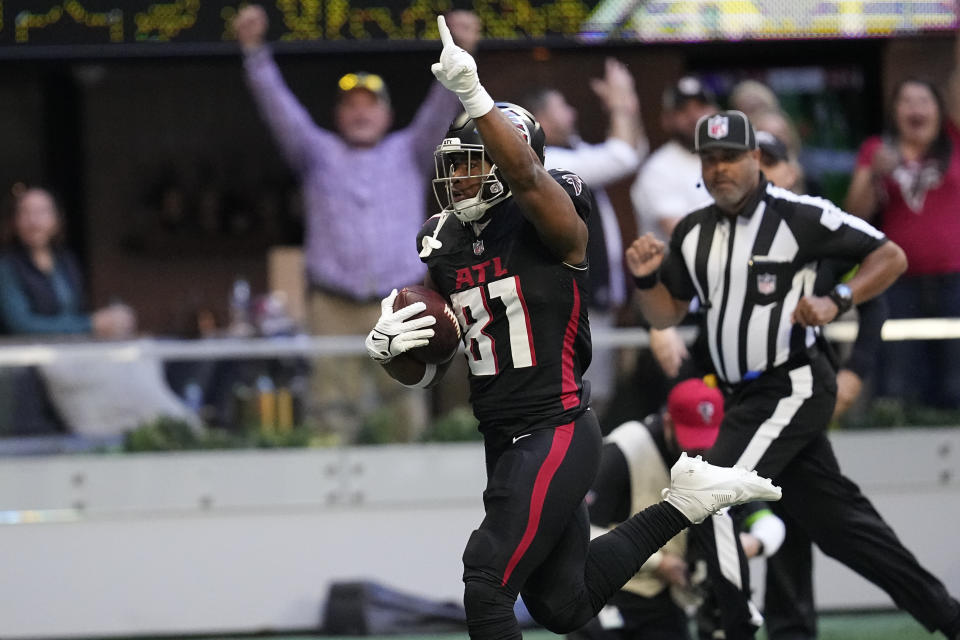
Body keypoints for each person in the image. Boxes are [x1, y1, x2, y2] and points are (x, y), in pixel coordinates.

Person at [364, 20, 782, 640]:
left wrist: (477, 98)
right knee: (565, 604)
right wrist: (394, 348)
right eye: (458, 164)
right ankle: (684, 503)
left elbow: (530, 181)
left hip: (556, 424)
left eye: (477, 164)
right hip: (503, 432)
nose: (462, 178)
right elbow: (431, 367)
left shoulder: (551, 209)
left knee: (486, 580)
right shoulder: (446, 241)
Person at [625, 109, 960, 640]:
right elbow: (667, 314)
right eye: (709, 160)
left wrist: (837, 299)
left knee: (707, 491)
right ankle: (949, 616)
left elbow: (890, 256)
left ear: (756, 160)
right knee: (845, 530)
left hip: (791, 383)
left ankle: (735, 625)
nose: (720, 169)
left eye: (731, 157)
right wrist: (646, 283)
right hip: (741, 396)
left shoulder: (801, 216)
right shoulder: (691, 232)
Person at [233, 4, 481, 440]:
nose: (362, 112)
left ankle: (407, 495)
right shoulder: (316, 153)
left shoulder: (410, 149)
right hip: (331, 305)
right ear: (338, 114)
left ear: (387, 114)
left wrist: (460, 50)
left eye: (372, 105)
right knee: (330, 411)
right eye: (352, 105)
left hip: (401, 301)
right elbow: (279, 108)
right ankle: (328, 505)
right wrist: (254, 52)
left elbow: (439, 105)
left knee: (404, 407)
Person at [570, 377, 786, 640]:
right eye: (691, 441)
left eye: (706, 443)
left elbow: (770, 523)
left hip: (668, 599)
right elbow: (579, 533)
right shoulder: (624, 450)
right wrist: (660, 563)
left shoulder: (720, 458)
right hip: (609, 588)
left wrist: (750, 543)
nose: (698, 452)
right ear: (669, 422)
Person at [523, 58, 648, 414]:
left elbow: (632, 152)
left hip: (593, 299)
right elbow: (621, 156)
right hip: (570, 303)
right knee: (579, 399)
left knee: (597, 397)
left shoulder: (572, 150)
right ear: (539, 117)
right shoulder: (543, 160)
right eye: (562, 106)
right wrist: (621, 103)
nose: (573, 112)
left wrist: (629, 107)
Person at [845, 69, 960, 409]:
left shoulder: (955, 142)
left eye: (924, 101)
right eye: (906, 101)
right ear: (895, 111)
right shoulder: (876, 149)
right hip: (897, 279)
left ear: (939, 110)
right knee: (898, 373)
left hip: (955, 277)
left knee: (956, 372)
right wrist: (875, 175)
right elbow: (855, 213)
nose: (915, 108)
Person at [0, 186, 135, 338]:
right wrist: (91, 324)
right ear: (14, 222)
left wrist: (109, 320)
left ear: (56, 219)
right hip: (28, 356)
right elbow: (21, 325)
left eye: (42, 212)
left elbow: (76, 311)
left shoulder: (66, 261)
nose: (34, 221)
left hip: (69, 351)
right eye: (25, 212)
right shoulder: (7, 266)